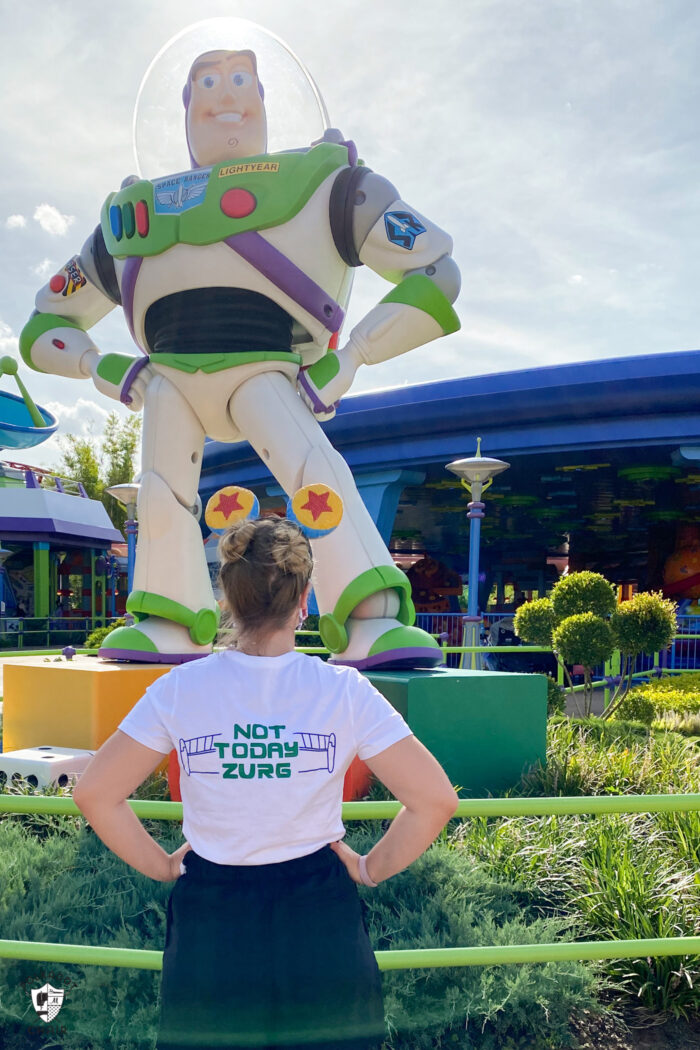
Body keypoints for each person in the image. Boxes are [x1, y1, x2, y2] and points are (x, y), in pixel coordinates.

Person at [20, 44, 460, 669]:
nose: (224, 95)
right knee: (161, 492)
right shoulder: (128, 219)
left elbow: (435, 272)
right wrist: (103, 367)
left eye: (239, 80)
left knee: (316, 473)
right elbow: (44, 326)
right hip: (166, 379)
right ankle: (169, 615)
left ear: (263, 100)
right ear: (186, 107)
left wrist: (353, 355)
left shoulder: (327, 187)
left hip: (264, 366)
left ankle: (368, 613)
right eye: (206, 82)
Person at [73, 515, 459, 1049]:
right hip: (319, 909)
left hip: (212, 912)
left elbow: (95, 794)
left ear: (228, 601)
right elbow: (435, 801)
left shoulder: (180, 689)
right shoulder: (344, 691)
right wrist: (369, 870)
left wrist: (162, 865)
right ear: (304, 604)